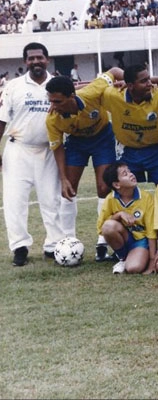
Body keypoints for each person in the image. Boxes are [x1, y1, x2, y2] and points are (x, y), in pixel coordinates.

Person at [0, 43, 68, 266]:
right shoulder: (13, 86)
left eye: (40, 58)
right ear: (25, 62)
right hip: (18, 149)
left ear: (47, 60)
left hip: (49, 150)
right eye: (31, 59)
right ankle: (19, 247)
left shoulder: (58, 84)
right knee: (14, 201)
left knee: (51, 199)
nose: (36, 62)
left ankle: (54, 245)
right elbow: (1, 120)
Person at [45, 75, 118, 261]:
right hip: (76, 143)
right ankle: (68, 240)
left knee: (104, 187)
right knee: (69, 189)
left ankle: (102, 243)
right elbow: (57, 147)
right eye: (50, 100)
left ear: (71, 96)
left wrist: (125, 79)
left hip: (102, 138)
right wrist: (63, 178)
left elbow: (115, 71)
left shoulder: (91, 92)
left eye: (57, 101)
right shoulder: (52, 118)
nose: (53, 105)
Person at [96, 64, 158, 185]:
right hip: (127, 151)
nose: (149, 83)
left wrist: (156, 79)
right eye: (143, 81)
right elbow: (89, 93)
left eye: (149, 79)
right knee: (128, 192)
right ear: (130, 85)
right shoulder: (113, 96)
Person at [96, 162, 157, 274]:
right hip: (125, 239)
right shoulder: (110, 199)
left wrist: (153, 261)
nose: (131, 174)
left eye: (129, 171)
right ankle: (123, 258)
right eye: (125, 174)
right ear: (117, 185)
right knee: (109, 226)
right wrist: (119, 215)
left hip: (141, 240)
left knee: (134, 268)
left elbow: (151, 231)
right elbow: (101, 228)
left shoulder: (146, 198)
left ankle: (143, 255)